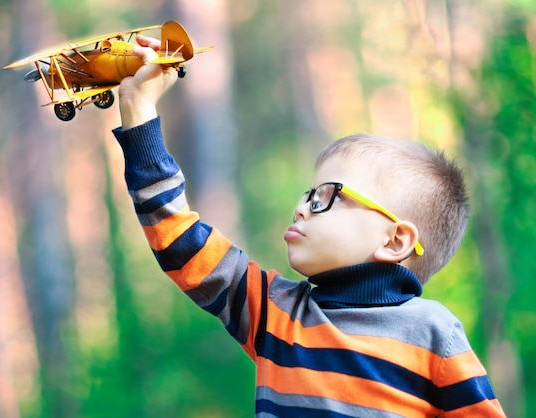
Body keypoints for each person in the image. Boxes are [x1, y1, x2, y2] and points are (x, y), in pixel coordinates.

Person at [111, 34, 506, 417]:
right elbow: (179, 239)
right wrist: (137, 107)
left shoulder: (434, 335)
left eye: (326, 196)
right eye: (307, 194)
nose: (301, 208)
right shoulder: (274, 312)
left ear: (396, 239)